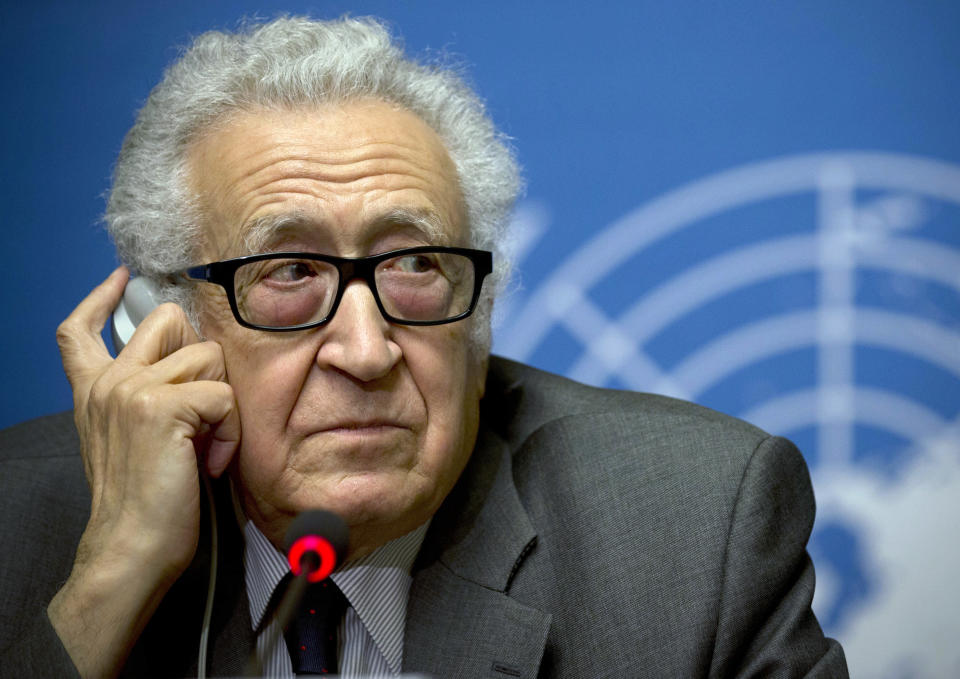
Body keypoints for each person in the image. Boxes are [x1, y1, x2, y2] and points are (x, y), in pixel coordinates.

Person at [0, 15, 847, 679]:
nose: (367, 351)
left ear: (478, 313)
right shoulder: (17, 523)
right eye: (289, 270)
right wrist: (110, 580)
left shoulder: (696, 529)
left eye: (414, 264)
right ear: (168, 325)